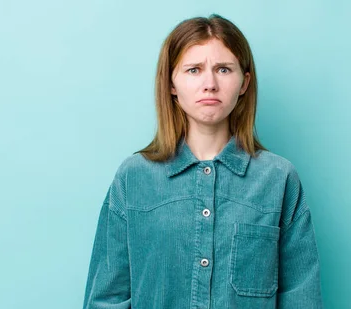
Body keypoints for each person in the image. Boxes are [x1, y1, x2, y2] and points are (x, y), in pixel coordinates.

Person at [82, 14, 323, 309]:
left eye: (223, 69)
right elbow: (107, 299)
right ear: (171, 83)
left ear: (244, 82)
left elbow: (301, 298)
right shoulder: (133, 178)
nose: (210, 83)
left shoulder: (278, 179)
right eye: (193, 70)